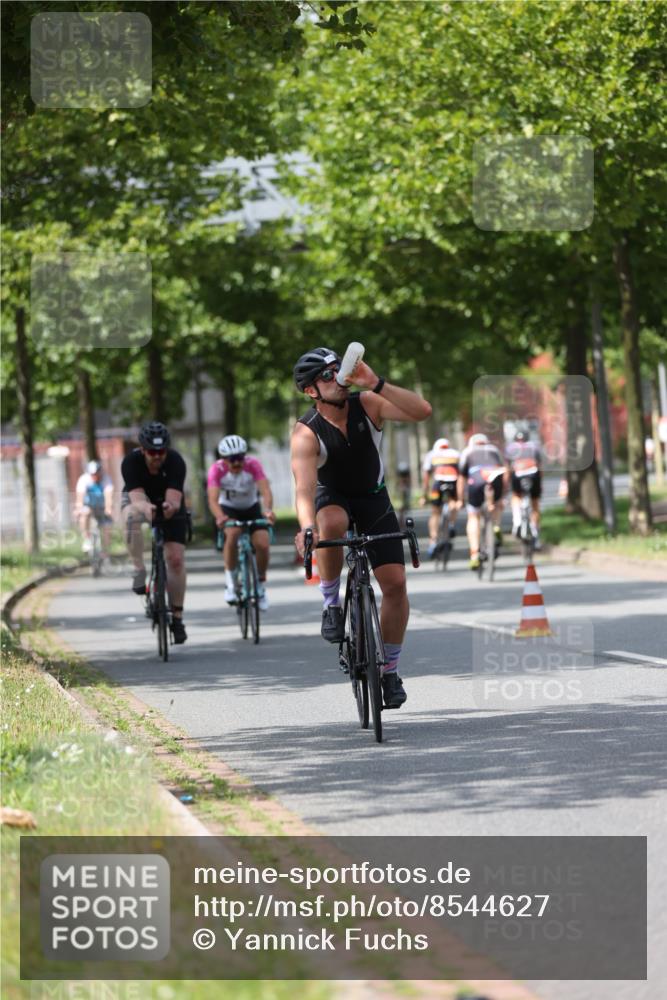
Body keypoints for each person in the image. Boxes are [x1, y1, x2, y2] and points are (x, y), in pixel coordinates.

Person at [290, 346, 432, 709]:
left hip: (373, 497)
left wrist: (376, 382)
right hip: (332, 496)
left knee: (396, 585)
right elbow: (304, 491)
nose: (338, 378)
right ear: (311, 390)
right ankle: (331, 603)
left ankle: (389, 671)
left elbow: (422, 412)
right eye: (327, 375)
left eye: (340, 369)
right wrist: (307, 528)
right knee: (331, 522)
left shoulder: (368, 404)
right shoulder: (307, 432)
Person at [120, 421, 188, 644]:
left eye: (161, 451)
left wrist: (168, 509)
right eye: (152, 452)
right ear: (142, 449)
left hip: (168, 502)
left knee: (176, 559)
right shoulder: (131, 462)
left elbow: (174, 500)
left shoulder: (176, 461)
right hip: (140, 501)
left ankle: (177, 618)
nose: (157, 456)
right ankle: (138, 568)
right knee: (130, 516)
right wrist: (146, 509)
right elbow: (138, 500)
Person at [207, 434, 276, 611]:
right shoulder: (217, 470)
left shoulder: (253, 465)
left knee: (262, 543)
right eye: (232, 460)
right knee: (233, 534)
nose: (237, 463)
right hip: (229, 509)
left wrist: (267, 510)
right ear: (224, 459)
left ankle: (260, 586)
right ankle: (231, 582)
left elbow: (265, 491)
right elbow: (213, 500)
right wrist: (220, 516)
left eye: (240, 458)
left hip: (251, 507)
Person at [457, 432, 506, 571]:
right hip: (495, 477)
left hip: (476, 479)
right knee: (495, 506)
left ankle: (474, 554)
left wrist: (460, 499)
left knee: (473, 516)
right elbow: (505, 471)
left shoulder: (467, 451)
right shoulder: (494, 450)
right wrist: (502, 496)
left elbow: (461, 478)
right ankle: (496, 526)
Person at [420, 437, 461, 557]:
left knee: (435, 513)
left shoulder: (431, 454)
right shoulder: (456, 454)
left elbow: (426, 477)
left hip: (437, 484)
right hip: (453, 482)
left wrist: (424, 495)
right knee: (453, 502)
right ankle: (452, 524)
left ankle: (433, 541)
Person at [505, 429, 543, 549]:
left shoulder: (510, 448)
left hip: (518, 475)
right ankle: (536, 533)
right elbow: (539, 466)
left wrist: (506, 484)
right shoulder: (534, 447)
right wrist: (540, 483)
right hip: (533, 475)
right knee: (535, 503)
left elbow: (508, 468)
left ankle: (517, 522)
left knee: (516, 496)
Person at [74, 459, 114, 557]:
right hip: (89, 506)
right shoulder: (84, 479)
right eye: (92, 474)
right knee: (85, 513)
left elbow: (108, 495)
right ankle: (87, 539)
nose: (95, 476)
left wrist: (109, 508)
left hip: (102, 507)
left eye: (97, 473)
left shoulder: (106, 479)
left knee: (107, 528)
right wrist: (78, 507)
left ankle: (105, 551)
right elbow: (80, 496)